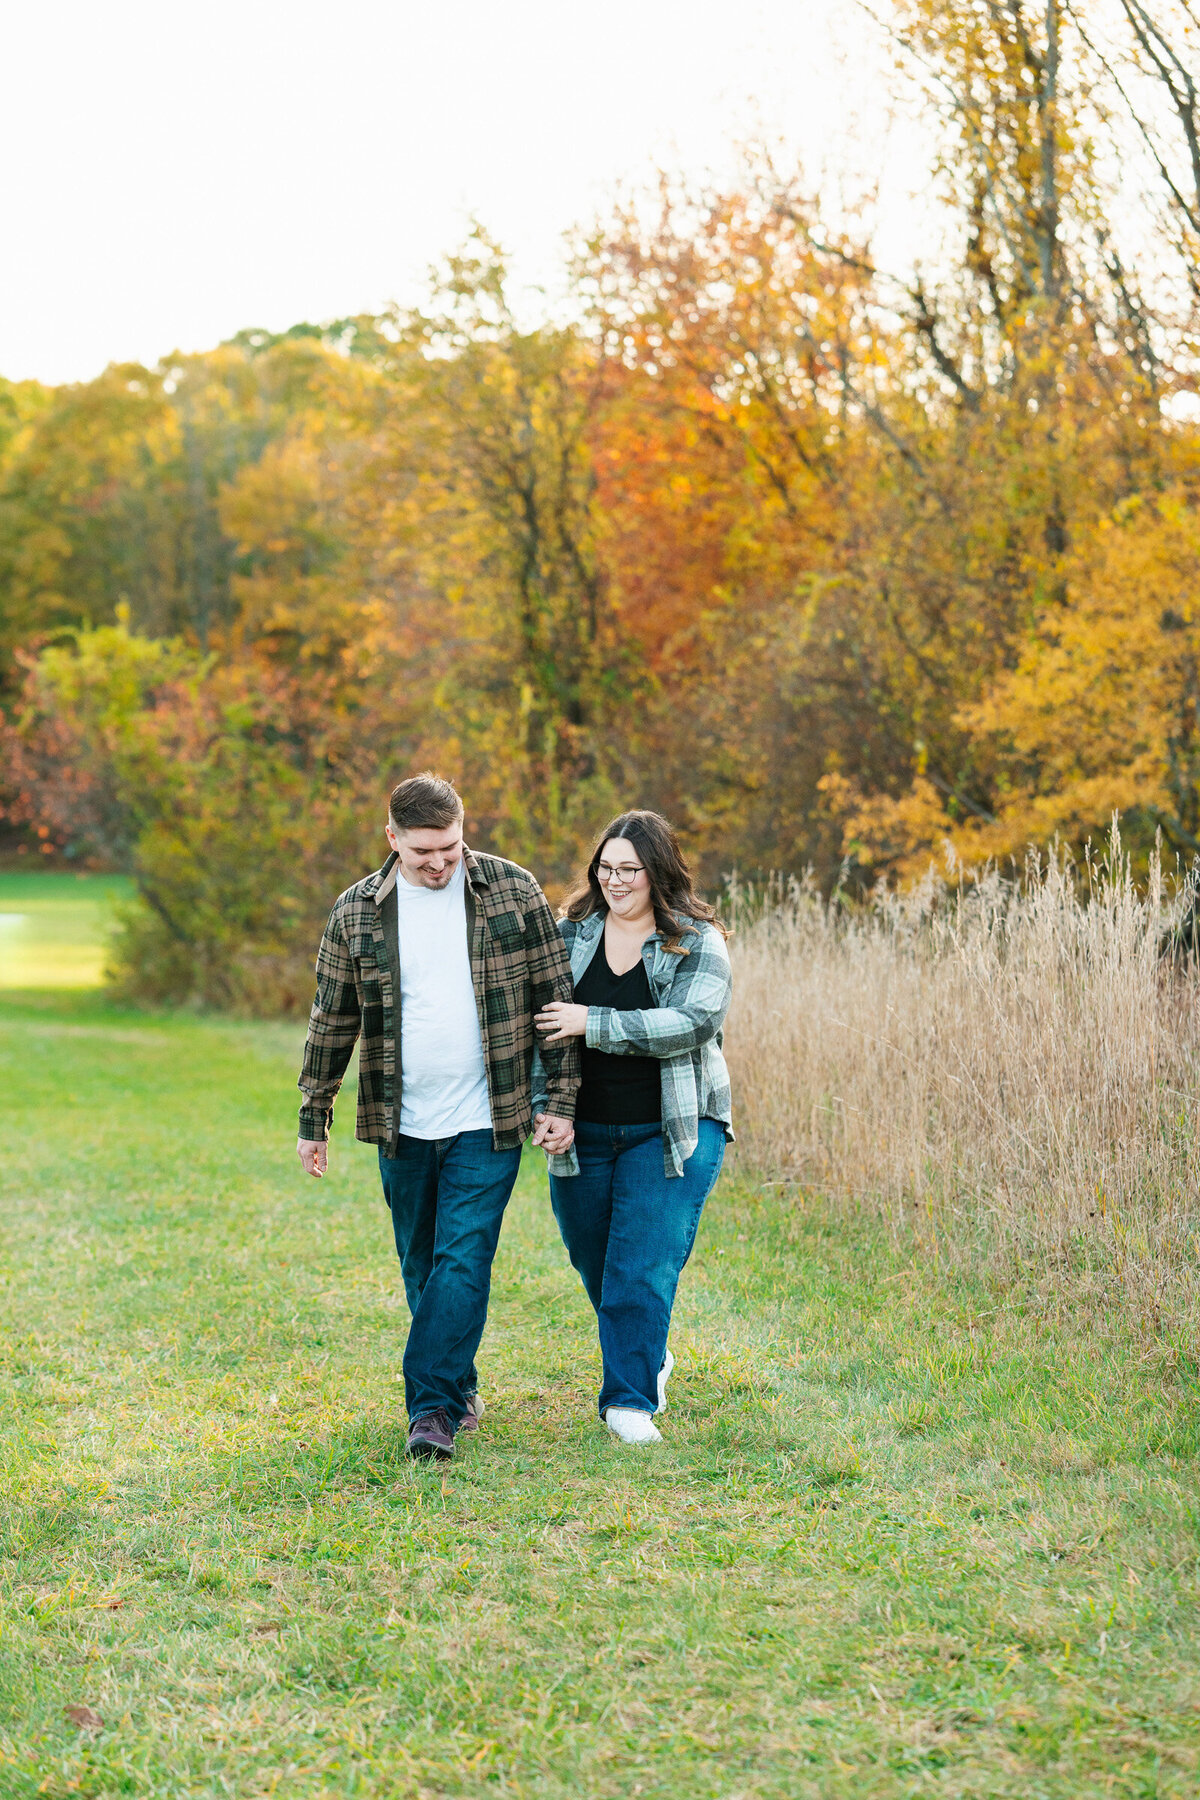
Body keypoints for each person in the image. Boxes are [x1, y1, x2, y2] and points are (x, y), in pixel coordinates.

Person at [296, 773, 578, 1461]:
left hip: (491, 1113)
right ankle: (459, 1383)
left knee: (463, 1257)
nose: (439, 862)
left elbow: (556, 1000)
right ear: (391, 837)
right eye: (422, 850)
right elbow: (332, 1019)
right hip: (401, 1121)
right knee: (421, 1262)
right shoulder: (357, 912)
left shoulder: (512, 890)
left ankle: (430, 1412)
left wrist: (561, 1100)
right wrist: (314, 1115)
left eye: (449, 847)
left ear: (463, 830)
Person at [533, 810, 732, 1444]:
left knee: (639, 1267)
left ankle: (629, 1403)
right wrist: (548, 1106)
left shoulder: (697, 940)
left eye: (631, 870)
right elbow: (539, 1032)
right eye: (606, 868)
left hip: (673, 1127)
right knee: (594, 1259)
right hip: (584, 1130)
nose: (615, 881)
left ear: (659, 873)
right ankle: (647, 1348)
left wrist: (593, 1023)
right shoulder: (570, 933)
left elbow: (691, 1022)